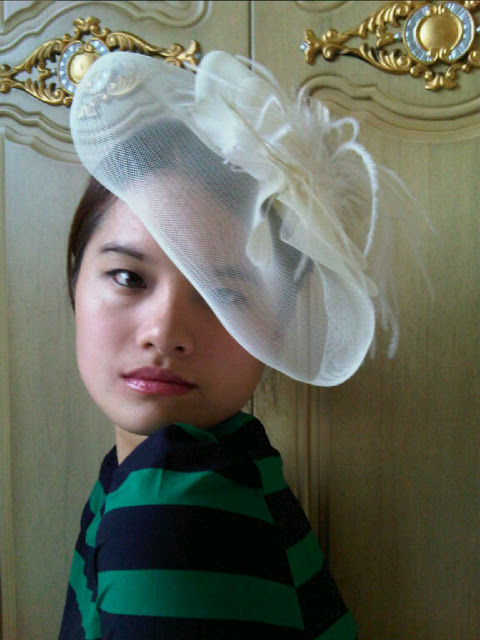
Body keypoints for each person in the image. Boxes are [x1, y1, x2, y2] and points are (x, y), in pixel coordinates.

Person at [58, 49, 419, 639]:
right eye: (129, 278)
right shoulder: (206, 466)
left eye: (222, 295)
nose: (165, 334)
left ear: (275, 329)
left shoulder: (175, 513)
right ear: (75, 278)